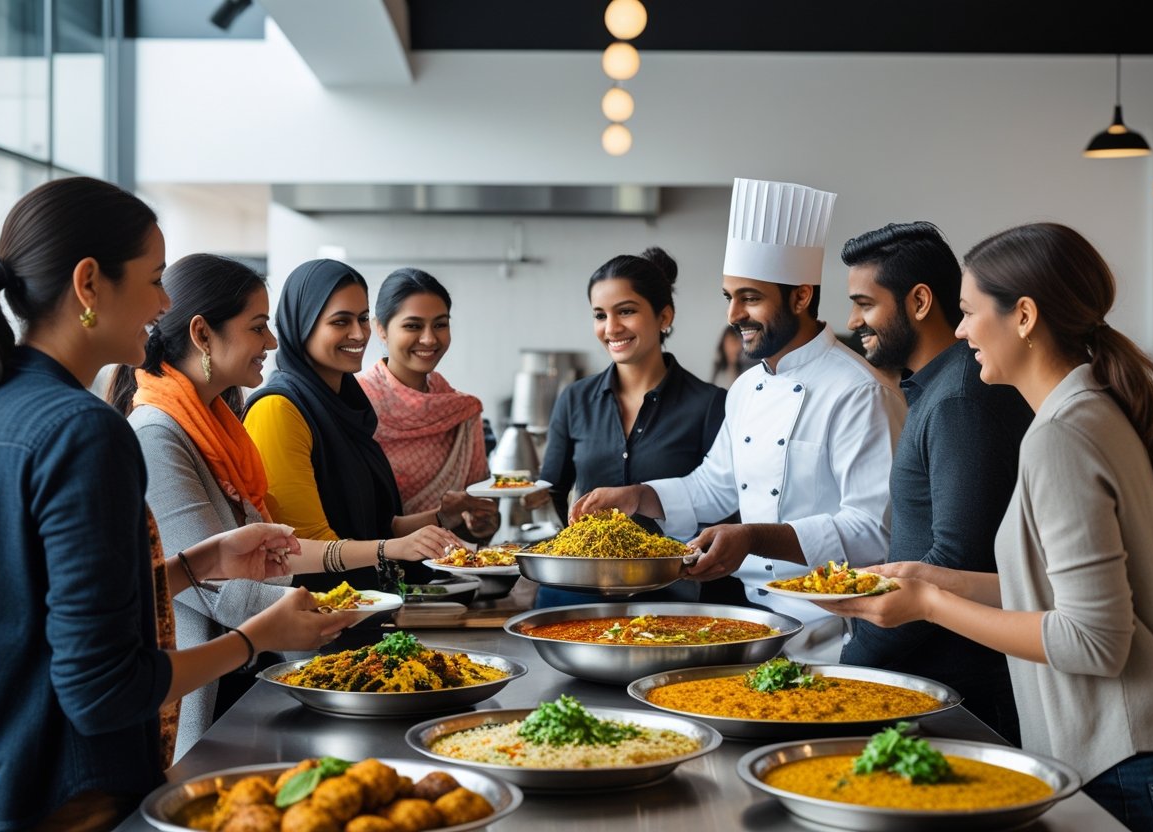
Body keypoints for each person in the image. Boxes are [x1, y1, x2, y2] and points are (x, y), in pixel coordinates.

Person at [0, 177, 349, 831]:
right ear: (89, 284)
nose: (163, 303)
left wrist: (196, 565)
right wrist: (257, 638)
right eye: (154, 277)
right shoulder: (82, 430)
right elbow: (104, 689)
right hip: (68, 801)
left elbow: (22, 615)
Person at [822, 222, 1153, 832]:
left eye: (968, 313)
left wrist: (930, 603)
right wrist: (935, 579)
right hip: (1122, 752)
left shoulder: (1062, 434)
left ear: (1025, 317)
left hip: (1124, 759)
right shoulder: (1082, 411)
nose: (959, 333)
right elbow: (1057, 596)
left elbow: (1094, 641)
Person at [106, 254, 439, 759]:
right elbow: (222, 591)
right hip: (213, 692)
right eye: (258, 327)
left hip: (250, 672)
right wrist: (335, 610)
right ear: (202, 334)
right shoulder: (158, 434)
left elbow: (272, 553)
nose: (272, 342)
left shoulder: (218, 425)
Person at [572, 179, 907, 661]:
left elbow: (875, 532)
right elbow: (715, 485)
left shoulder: (861, 391)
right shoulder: (748, 388)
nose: (733, 314)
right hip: (758, 627)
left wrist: (752, 538)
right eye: (729, 296)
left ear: (800, 296)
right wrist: (639, 497)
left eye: (749, 298)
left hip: (842, 634)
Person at [838, 221, 1031, 744]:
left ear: (919, 302)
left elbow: (955, 559)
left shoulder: (959, 398)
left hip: (963, 692)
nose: (854, 319)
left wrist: (851, 664)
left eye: (864, 303)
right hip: (930, 679)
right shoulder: (938, 387)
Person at [243, 259, 480, 597]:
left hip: (365, 611)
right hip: (316, 622)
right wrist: (390, 549)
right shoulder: (278, 409)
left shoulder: (344, 407)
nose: (359, 334)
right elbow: (302, 547)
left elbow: (378, 527)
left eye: (362, 318)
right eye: (340, 321)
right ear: (302, 325)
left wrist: (442, 518)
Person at [536, 247, 727, 606]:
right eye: (599, 315)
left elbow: (724, 505)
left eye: (626, 311)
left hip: (673, 591)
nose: (611, 328)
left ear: (664, 316)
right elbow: (552, 491)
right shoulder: (574, 399)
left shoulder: (710, 404)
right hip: (577, 592)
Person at [358, 268, 498, 539]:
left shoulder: (461, 412)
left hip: (450, 575)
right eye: (413, 326)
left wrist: (482, 524)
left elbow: (476, 517)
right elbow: (356, 522)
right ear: (381, 329)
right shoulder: (356, 404)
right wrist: (442, 516)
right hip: (368, 571)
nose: (429, 338)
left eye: (440, 324)